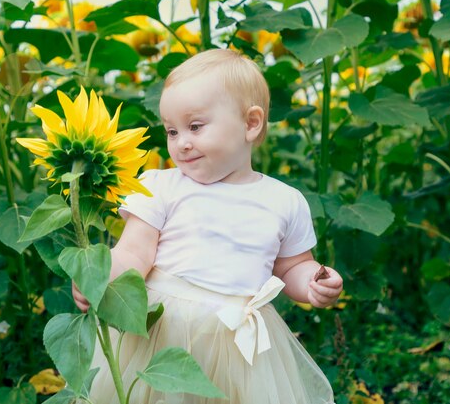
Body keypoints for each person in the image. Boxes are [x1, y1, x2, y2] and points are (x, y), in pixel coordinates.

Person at [73, 48, 343, 404]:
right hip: (162, 335)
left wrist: (312, 281)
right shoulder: (161, 186)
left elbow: (290, 266)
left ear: (250, 123)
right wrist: (102, 276)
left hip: (238, 347)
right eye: (172, 130)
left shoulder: (284, 200)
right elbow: (134, 252)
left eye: (195, 126)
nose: (181, 142)